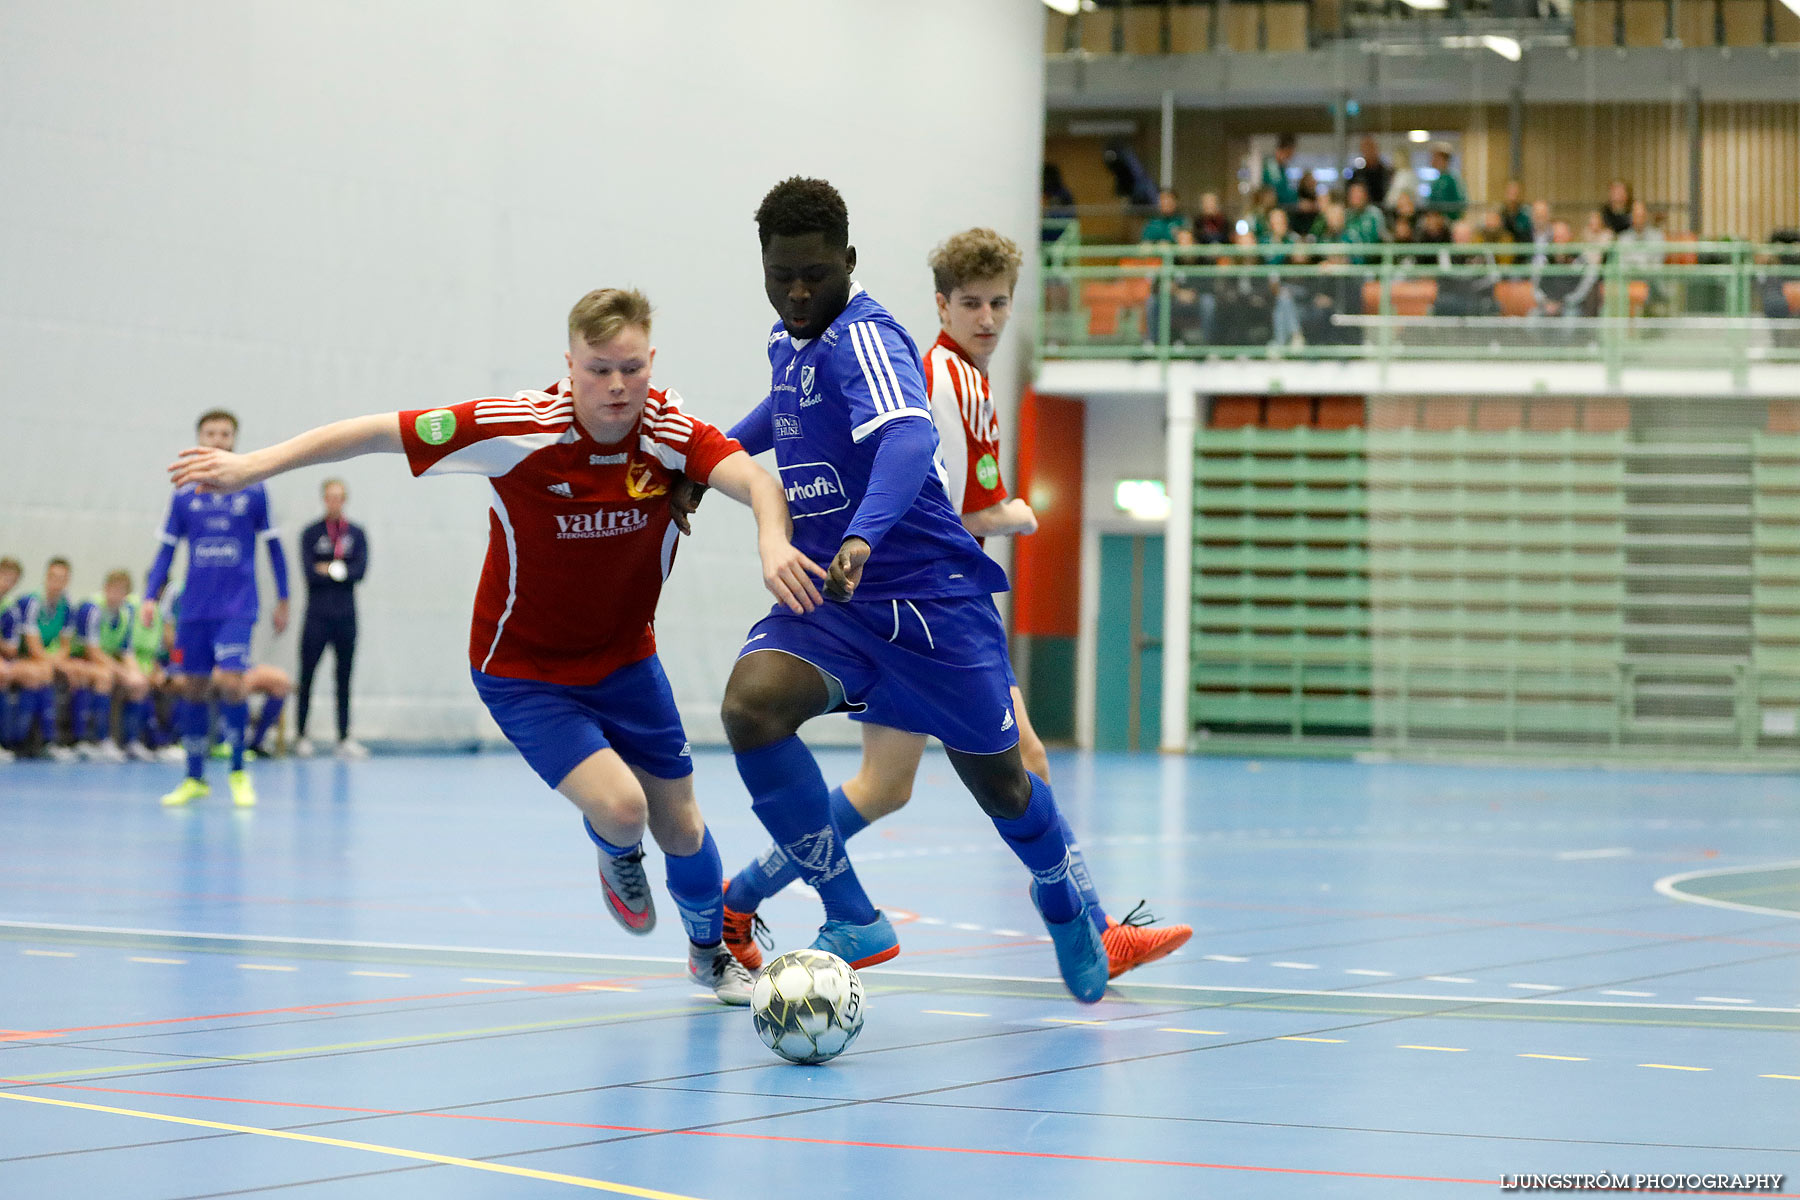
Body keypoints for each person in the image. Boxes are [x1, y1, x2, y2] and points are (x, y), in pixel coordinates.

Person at [166, 287, 812, 1006]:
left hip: (627, 660)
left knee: (683, 824)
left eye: (631, 367)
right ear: (568, 365)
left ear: (650, 360)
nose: (618, 386)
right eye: (598, 369)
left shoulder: (667, 430)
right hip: (523, 672)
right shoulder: (516, 429)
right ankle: (613, 848)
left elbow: (754, 476)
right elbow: (379, 431)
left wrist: (771, 537)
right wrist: (251, 466)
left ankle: (708, 955)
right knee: (625, 810)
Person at [711, 227, 1192, 980]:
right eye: (972, 303)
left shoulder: (959, 374)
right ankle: (1088, 928)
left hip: (918, 601)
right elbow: (924, 483)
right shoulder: (928, 373)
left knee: (894, 786)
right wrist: (1007, 518)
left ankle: (740, 898)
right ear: (942, 305)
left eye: (1001, 303)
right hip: (910, 599)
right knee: (1011, 762)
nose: (989, 319)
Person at [145, 410, 291, 808]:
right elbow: (166, 551)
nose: (217, 439)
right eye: (210, 433)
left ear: (234, 440)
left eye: (225, 434)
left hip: (237, 607)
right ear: (199, 438)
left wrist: (284, 597)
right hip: (194, 608)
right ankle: (195, 778)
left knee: (231, 683)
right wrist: (148, 597)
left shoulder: (255, 490)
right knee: (192, 688)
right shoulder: (182, 494)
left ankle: (240, 773)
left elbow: (274, 547)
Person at [295, 478, 368, 758]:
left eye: (339, 497)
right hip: (316, 616)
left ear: (345, 499)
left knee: (344, 676)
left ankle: (344, 737)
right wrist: (339, 570)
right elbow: (310, 572)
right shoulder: (311, 533)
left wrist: (331, 569)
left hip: (346, 616)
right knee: (308, 675)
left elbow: (359, 571)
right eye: (330, 497)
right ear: (324, 499)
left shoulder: (356, 533)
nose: (334, 502)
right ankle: (301, 734)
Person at [71, 569, 156, 761]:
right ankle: (99, 741)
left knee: (139, 682)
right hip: (81, 658)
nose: (116, 595)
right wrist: (122, 672)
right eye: (113, 589)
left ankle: (132, 742)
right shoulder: (92, 609)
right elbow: (91, 651)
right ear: (105, 589)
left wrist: (135, 673)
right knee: (105, 677)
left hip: (106, 660)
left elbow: (126, 651)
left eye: (121, 591)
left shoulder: (126, 613)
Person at [18, 558, 95, 763]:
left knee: (80, 671)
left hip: (48, 658)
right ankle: (32, 742)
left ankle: (77, 741)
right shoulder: (32, 602)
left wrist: (60, 662)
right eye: (53, 577)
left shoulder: (67, 606)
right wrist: (56, 663)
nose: (57, 582)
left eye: (62, 578)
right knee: (42, 673)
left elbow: (65, 646)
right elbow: (32, 647)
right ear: (46, 578)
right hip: (25, 656)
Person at [1348, 135, 1393, 208]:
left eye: (1371, 148)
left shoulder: (1386, 172)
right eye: (1365, 149)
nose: (1369, 151)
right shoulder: (1357, 174)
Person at [1426, 143, 1465, 221]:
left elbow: (1461, 201)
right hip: (1437, 221)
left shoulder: (1453, 178)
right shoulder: (1437, 180)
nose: (1432, 161)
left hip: (1451, 220)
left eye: (1436, 158)